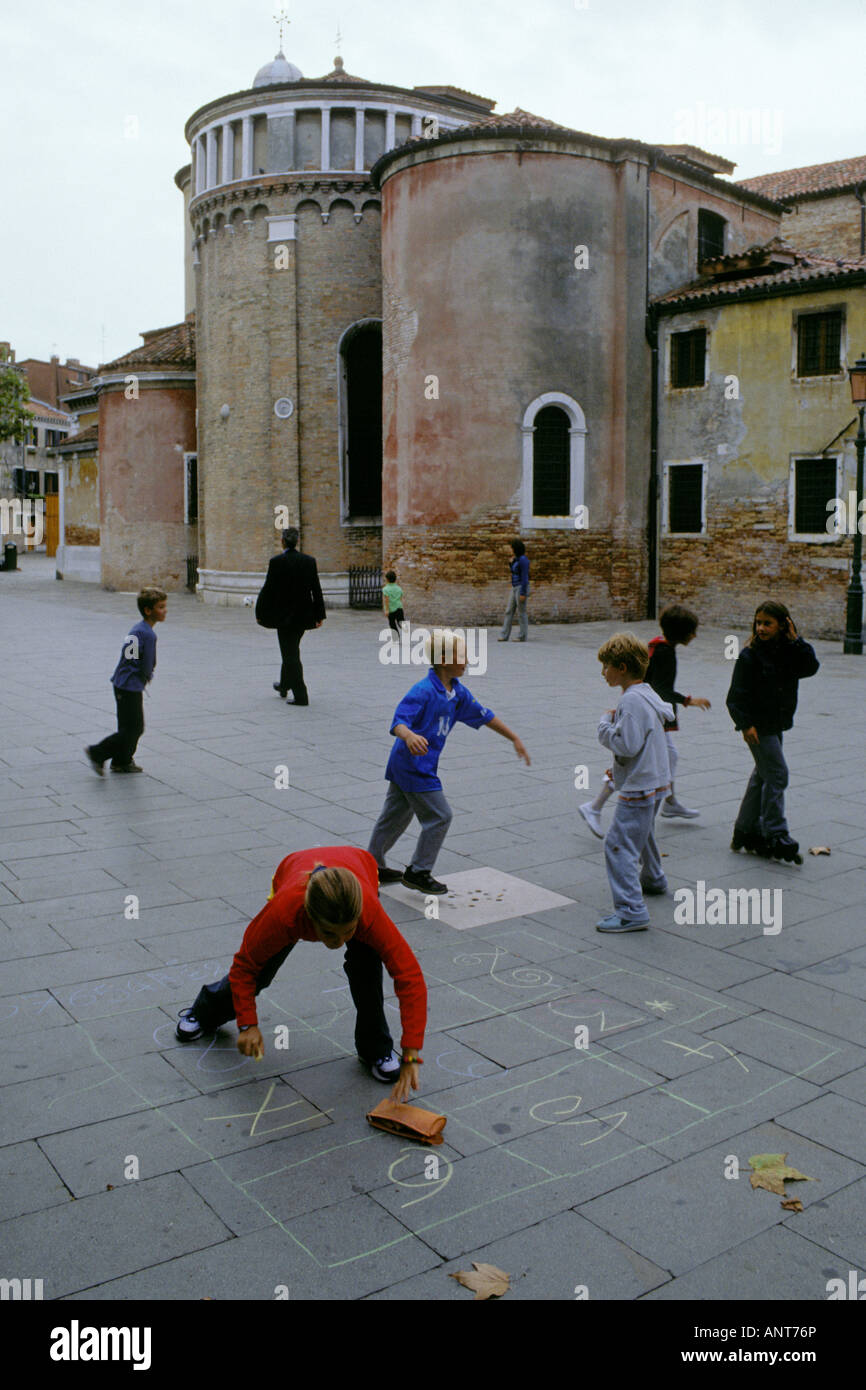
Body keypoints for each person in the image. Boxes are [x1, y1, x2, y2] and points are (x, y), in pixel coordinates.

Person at [175, 846, 426, 1098]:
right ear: (310, 917)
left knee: (367, 972)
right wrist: (247, 1024)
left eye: (348, 932)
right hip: (292, 869)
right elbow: (244, 966)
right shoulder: (284, 914)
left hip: (360, 866)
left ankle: (375, 1049)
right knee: (262, 971)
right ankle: (203, 1012)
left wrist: (412, 1053)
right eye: (329, 933)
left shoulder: (368, 914)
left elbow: (410, 977)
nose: (339, 942)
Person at [369, 627, 531, 895]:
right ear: (444, 660)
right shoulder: (422, 690)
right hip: (413, 766)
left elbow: (484, 715)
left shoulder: (458, 693)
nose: (468, 660)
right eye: (463, 655)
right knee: (440, 816)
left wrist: (513, 737)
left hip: (412, 766)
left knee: (394, 816)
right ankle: (419, 871)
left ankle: (372, 865)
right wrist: (409, 736)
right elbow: (398, 721)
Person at [579, 604, 710, 836]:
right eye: (692, 630)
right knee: (644, 760)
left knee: (658, 757)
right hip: (647, 714)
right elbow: (662, 689)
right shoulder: (666, 652)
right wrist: (689, 700)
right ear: (681, 632)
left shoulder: (658, 645)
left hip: (643, 709)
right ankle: (596, 806)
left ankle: (667, 802)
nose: (694, 635)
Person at [726, 600, 819, 864]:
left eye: (768, 623)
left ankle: (745, 829)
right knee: (777, 774)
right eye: (758, 623)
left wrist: (796, 640)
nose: (762, 628)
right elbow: (735, 696)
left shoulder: (788, 651)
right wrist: (745, 724)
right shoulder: (749, 655)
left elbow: (811, 667)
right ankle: (775, 832)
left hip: (776, 723)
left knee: (763, 774)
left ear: (784, 625)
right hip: (758, 727)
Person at [594, 632, 674, 933]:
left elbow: (626, 745)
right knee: (644, 833)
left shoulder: (630, 700)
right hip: (656, 781)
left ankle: (631, 910)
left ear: (622, 668)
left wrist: (604, 726)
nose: (603, 673)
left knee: (619, 844)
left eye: (606, 667)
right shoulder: (648, 693)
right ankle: (653, 878)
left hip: (640, 785)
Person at [85, 586, 167, 775]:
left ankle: (121, 761)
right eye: (161, 607)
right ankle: (97, 752)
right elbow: (148, 664)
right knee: (134, 728)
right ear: (148, 610)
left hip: (122, 682)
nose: (165, 611)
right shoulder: (148, 634)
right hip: (130, 686)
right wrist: (147, 677)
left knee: (127, 727)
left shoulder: (138, 629)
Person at [255, 527, 326, 706]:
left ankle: (301, 695)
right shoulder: (309, 561)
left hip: (284, 618)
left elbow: (268, 590)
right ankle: (284, 685)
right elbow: (316, 589)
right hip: (303, 616)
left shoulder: (276, 562)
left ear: (282, 542)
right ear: (298, 542)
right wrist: (320, 615)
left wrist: (259, 613)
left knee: (290, 655)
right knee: (290, 650)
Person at [498, 539, 529, 642]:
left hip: (521, 587)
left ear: (516, 548)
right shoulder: (516, 559)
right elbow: (514, 572)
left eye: (512, 548)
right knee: (509, 611)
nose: (510, 550)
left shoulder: (524, 560)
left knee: (521, 612)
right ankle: (504, 635)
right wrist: (511, 563)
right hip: (514, 586)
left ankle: (522, 636)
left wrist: (523, 593)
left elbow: (525, 577)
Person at [382, 569, 405, 633]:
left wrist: (386, 610)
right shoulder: (399, 588)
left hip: (391, 610)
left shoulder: (385, 589)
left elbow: (386, 600)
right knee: (401, 622)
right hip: (399, 608)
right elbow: (400, 598)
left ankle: (396, 639)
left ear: (387, 579)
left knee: (392, 625)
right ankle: (406, 632)